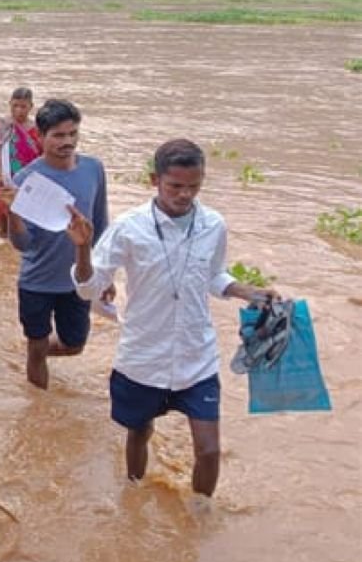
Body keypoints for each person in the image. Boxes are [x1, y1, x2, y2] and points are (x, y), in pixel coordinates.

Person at [69, 139, 278, 500]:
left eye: (194, 187)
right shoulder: (128, 227)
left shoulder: (213, 224)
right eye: (175, 186)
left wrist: (248, 292)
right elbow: (89, 289)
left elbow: (214, 276)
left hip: (197, 357)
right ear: (155, 180)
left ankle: (199, 518)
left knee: (209, 450)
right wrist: (82, 248)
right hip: (143, 357)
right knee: (139, 433)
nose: (185, 195)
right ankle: (132, 495)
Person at [0, 99, 110, 390]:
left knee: (75, 345)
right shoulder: (25, 181)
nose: (67, 142)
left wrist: (105, 275)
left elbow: (100, 225)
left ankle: (32, 353)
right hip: (36, 281)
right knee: (37, 346)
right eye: (58, 135)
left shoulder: (94, 169)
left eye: (73, 134)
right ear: (40, 136)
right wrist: (13, 213)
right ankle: (37, 406)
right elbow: (22, 244)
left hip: (77, 281)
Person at [0, 87, 41, 236]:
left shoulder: (37, 130)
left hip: (27, 185)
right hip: (3, 182)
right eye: (15, 105)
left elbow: (42, 160)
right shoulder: (0, 126)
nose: (19, 110)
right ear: (9, 103)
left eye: (23, 106)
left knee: (24, 227)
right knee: (3, 224)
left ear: (31, 106)